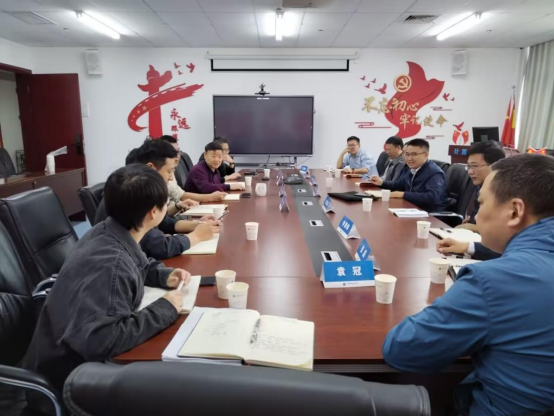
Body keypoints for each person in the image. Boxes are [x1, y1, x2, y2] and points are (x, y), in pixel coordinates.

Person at [383, 154, 554, 415]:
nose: (477, 214)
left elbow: (402, 349)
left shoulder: (494, 281)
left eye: (481, 203)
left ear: (514, 211)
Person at [24, 164, 192, 414]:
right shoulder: (111, 264)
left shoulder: (108, 230)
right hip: (71, 382)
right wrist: (165, 309)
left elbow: (139, 262)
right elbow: (103, 341)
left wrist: (163, 275)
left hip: (76, 357)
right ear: (153, 213)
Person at [95, 140, 220, 260]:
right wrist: (197, 236)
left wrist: (197, 225)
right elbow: (159, 247)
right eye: (169, 171)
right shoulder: (135, 192)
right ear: (151, 167)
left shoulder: (139, 186)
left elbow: (162, 222)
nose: (171, 178)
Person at [369, 138, 448, 212]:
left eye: (414, 154)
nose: (409, 158)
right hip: (411, 208)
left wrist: (403, 194)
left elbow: (432, 197)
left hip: (429, 214)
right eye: (407, 154)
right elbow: (398, 185)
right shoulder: (412, 169)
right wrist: (381, 183)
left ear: (426, 155)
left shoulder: (434, 172)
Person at [159, 135, 227, 203]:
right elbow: (181, 196)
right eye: (173, 152)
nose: (178, 155)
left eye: (178, 151)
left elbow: (175, 198)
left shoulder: (171, 170)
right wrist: (211, 197)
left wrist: (177, 206)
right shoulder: (198, 169)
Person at [457, 141, 506, 232]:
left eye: (475, 166)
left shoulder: (504, 192)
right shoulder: (480, 186)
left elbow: (503, 230)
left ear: (494, 166)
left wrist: (473, 228)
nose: (470, 172)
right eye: (469, 166)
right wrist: (472, 221)